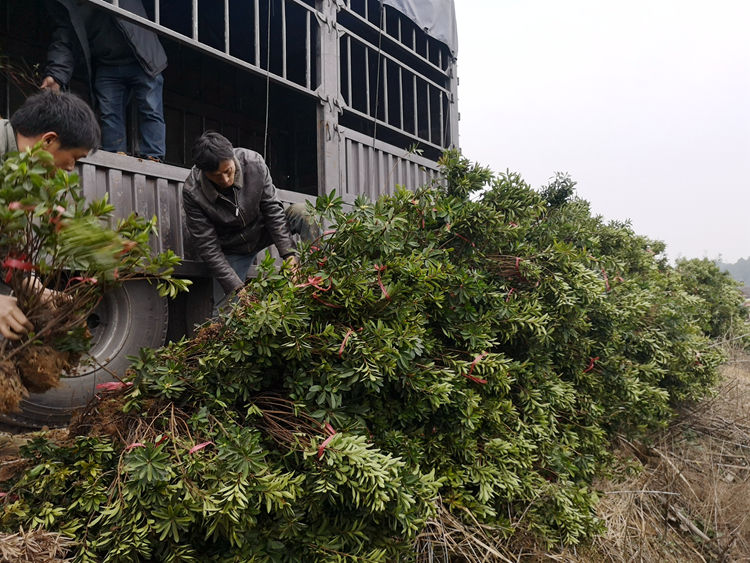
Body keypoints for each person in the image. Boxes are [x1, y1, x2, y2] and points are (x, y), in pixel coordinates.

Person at [0, 90, 100, 340]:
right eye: (74, 158)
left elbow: (8, 248)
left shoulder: (26, 177)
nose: (70, 169)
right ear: (48, 141)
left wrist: (34, 288)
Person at [182, 132, 318, 312]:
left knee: (304, 212)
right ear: (203, 173)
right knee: (225, 313)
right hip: (232, 247)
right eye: (216, 176)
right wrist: (237, 288)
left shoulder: (254, 163)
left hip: (261, 229)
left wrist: (289, 255)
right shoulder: (192, 192)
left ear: (232, 157)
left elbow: (273, 211)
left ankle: (320, 274)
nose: (225, 180)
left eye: (227, 171)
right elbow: (208, 247)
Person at [40, 0, 167, 161]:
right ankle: (116, 158)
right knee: (109, 114)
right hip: (107, 64)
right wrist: (56, 74)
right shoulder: (67, 5)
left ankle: (153, 157)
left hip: (142, 57)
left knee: (151, 109)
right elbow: (64, 39)